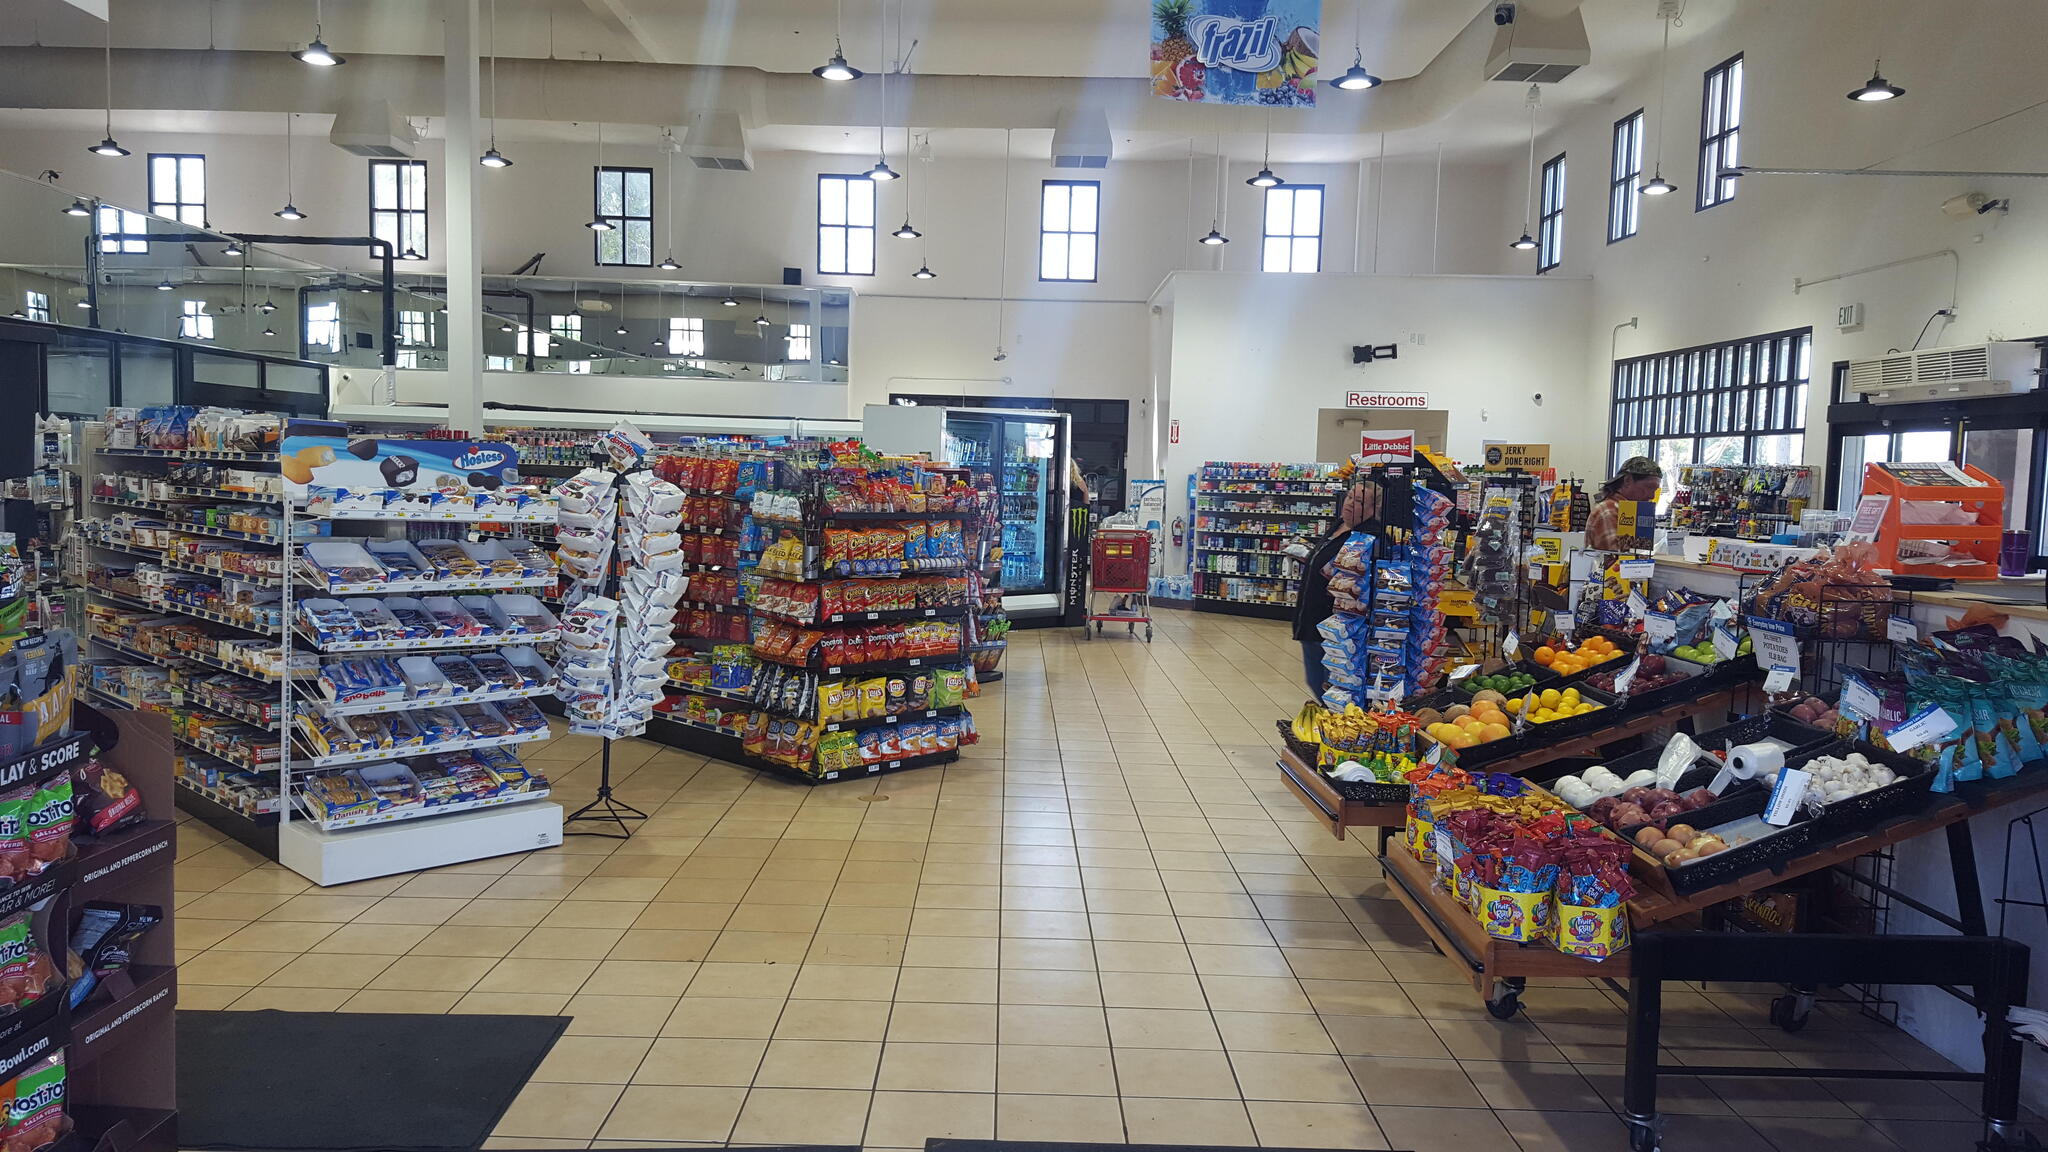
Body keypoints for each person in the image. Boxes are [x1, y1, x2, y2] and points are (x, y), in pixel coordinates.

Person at [1291, 479, 1381, 700]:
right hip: (1311, 622)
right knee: (1315, 681)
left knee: (1331, 688)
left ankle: (1336, 721)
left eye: (1359, 501)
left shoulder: (1369, 538)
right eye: (1349, 497)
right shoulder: (1339, 525)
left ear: (1374, 509)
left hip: (1335, 628)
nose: (1350, 503)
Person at [1587, 456, 1662, 552]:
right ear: (1627, 480)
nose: (1652, 496)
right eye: (1648, 487)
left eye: (1655, 490)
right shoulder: (1609, 511)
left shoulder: (1633, 511)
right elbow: (1616, 557)